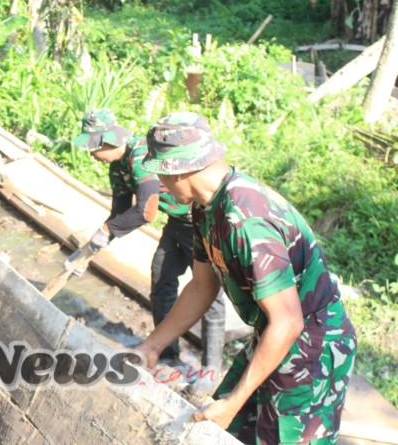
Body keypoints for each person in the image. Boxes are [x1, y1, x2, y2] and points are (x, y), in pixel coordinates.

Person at [135, 111, 356, 444]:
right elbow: (201, 286)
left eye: (161, 175)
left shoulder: (246, 220)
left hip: (312, 343)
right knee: (232, 428)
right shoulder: (204, 207)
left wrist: (234, 402)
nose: (160, 185)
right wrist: (150, 347)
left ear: (181, 169)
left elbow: (288, 321)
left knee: (276, 435)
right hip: (274, 332)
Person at [72, 109, 225, 368]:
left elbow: (147, 210)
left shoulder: (141, 155)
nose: (91, 155)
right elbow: (120, 213)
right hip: (177, 223)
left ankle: (211, 370)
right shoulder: (117, 167)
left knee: (210, 293)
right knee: (162, 280)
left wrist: (106, 233)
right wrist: (88, 250)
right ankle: (166, 356)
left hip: (200, 223)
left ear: (106, 141)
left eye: (93, 148)